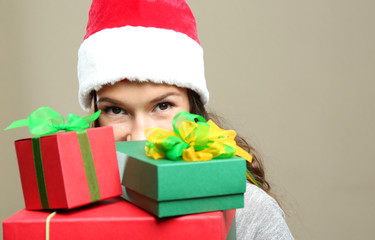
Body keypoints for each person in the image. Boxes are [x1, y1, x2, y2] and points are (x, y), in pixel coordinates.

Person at [77, 0, 294, 239]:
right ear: (95, 116)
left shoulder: (249, 211)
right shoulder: (70, 211)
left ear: (193, 109)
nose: (140, 137)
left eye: (162, 106)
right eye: (116, 111)